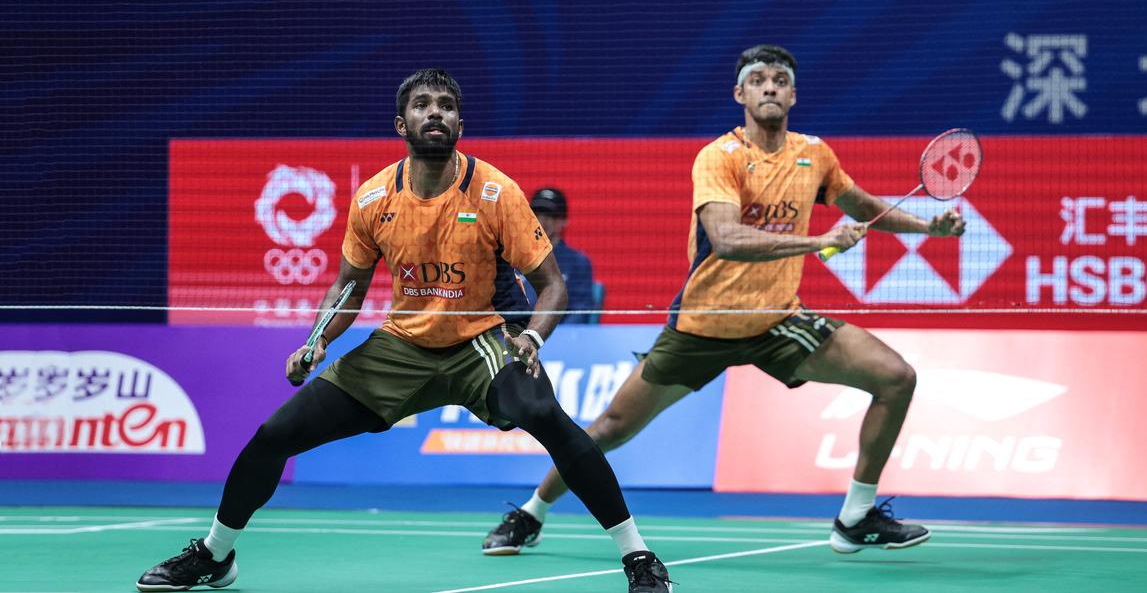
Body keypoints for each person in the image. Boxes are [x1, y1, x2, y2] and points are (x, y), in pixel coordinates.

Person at [136, 69, 672, 593]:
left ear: (459, 124)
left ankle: (639, 556)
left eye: (446, 105)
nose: (435, 113)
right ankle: (215, 555)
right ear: (401, 124)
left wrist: (531, 338)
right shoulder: (374, 198)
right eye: (422, 105)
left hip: (481, 340)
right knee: (275, 436)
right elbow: (348, 287)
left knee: (544, 415)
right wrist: (317, 341)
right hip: (400, 347)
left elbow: (552, 286)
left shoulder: (495, 192)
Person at [482, 45, 965, 558]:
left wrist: (926, 228)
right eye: (758, 79)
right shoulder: (719, 157)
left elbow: (861, 204)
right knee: (611, 427)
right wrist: (820, 242)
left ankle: (856, 517)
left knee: (896, 377)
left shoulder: (815, 154)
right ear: (740, 93)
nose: (770, 86)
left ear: (793, 95)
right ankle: (530, 512)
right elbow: (729, 239)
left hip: (777, 320)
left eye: (780, 79)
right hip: (703, 325)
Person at [526, 187, 596, 324]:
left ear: (564, 221)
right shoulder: (513, 258)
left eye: (550, 215)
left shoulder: (578, 262)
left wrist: (545, 334)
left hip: (559, 334)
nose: (542, 221)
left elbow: (580, 312)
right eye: (537, 214)